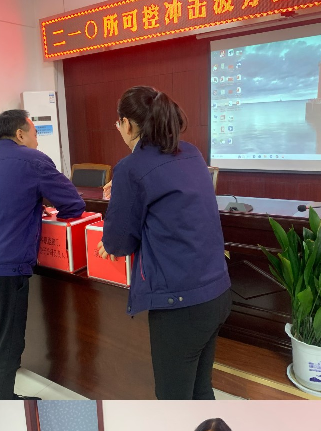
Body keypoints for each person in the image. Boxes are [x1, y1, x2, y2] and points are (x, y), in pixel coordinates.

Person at [98, 86, 232, 400]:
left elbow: (119, 242)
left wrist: (123, 193)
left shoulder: (131, 167)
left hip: (180, 306)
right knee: (200, 388)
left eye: (119, 123)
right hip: (217, 293)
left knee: (173, 398)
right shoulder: (190, 152)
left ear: (127, 124)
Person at [0, 109, 85, 400]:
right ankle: (1, 402)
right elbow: (73, 204)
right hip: (3, 270)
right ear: (20, 134)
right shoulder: (33, 160)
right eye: (35, 135)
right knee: (7, 345)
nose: (37, 142)